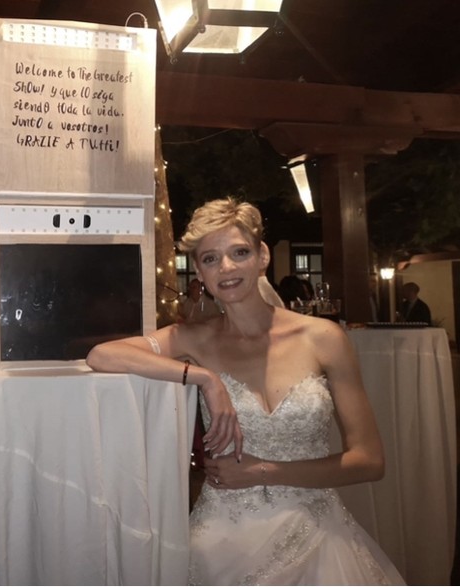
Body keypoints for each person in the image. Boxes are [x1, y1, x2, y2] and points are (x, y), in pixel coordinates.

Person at [86, 197, 404, 585]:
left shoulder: (323, 337)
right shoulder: (193, 338)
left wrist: (263, 471)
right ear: (199, 272)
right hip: (224, 538)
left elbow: (369, 461)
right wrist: (204, 378)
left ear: (262, 256)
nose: (227, 267)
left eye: (239, 252)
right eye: (210, 258)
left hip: (317, 534)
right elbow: (102, 355)